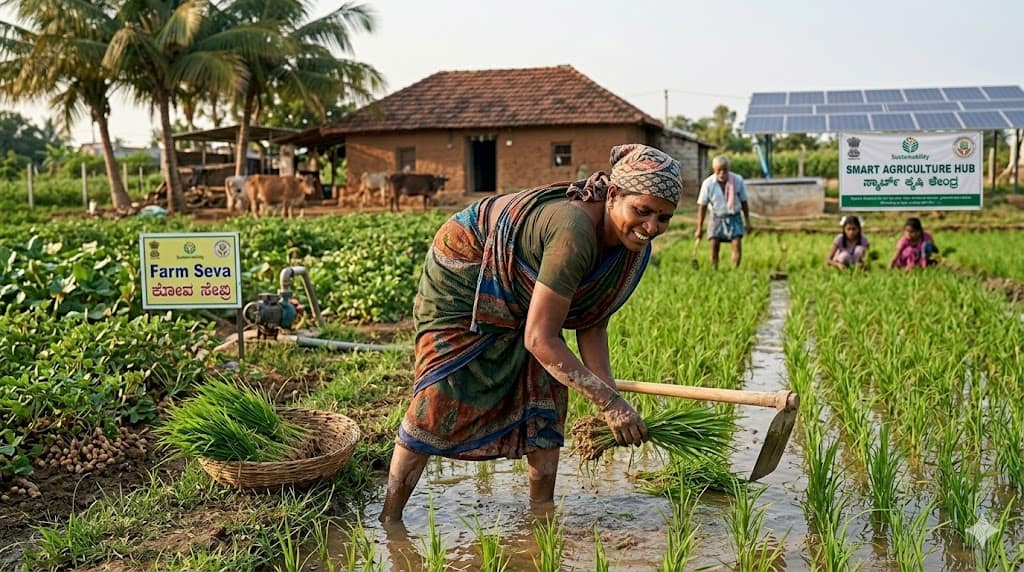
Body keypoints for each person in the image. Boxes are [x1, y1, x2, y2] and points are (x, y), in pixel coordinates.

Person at [379, 144, 683, 523]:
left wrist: (608, 396)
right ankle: (390, 518)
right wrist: (609, 404)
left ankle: (541, 518)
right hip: (468, 272)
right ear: (614, 195)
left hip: (526, 296)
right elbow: (540, 339)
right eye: (642, 211)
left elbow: (593, 318)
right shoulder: (573, 232)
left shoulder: (631, 246)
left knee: (546, 395)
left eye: (663, 218)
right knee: (441, 395)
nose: (651, 227)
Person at [695, 155, 751, 268]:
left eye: (724, 169)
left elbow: (744, 202)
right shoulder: (708, 183)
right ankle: (714, 269)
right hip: (716, 217)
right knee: (714, 244)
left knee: (736, 244)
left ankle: (736, 270)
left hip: (734, 216)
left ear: (728, 169)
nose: (722, 173)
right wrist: (699, 228)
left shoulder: (737, 180)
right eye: (718, 170)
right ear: (714, 170)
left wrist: (747, 221)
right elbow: (702, 206)